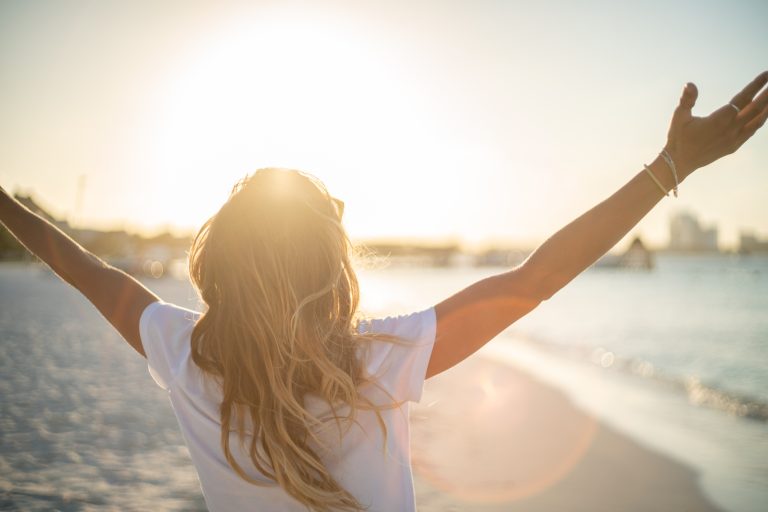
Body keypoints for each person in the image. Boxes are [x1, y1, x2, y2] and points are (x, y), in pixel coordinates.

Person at [1, 72, 766, 512]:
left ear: (221, 266)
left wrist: (5, 204)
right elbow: (536, 279)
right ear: (331, 267)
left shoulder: (184, 350)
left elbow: (76, 264)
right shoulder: (376, 361)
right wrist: (671, 168)